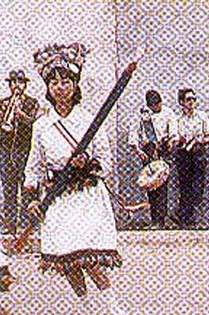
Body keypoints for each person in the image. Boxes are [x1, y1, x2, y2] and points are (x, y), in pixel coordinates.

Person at [24, 43, 123, 312]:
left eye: (65, 81)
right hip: (57, 198)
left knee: (88, 258)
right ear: (47, 88)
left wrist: (88, 163)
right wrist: (32, 198)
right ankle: (86, 309)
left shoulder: (89, 121)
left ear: (74, 85)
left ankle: (113, 309)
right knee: (67, 260)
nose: (60, 88)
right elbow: (33, 166)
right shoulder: (42, 126)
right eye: (53, 82)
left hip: (85, 196)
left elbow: (106, 164)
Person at [128, 90, 175, 230]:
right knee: (151, 186)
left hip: (163, 149)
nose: (157, 108)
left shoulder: (168, 113)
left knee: (162, 186)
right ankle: (154, 218)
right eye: (154, 106)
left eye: (158, 105)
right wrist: (138, 151)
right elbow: (133, 135)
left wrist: (170, 143)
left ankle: (162, 219)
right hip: (148, 151)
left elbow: (173, 133)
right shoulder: (142, 116)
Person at [0, 70, 39, 235]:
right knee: (8, 190)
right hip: (7, 153)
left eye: (21, 82)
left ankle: (26, 226)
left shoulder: (32, 103)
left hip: (25, 152)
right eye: (14, 82)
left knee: (26, 190)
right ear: (9, 85)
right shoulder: (2, 103)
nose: (17, 85)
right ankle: (8, 226)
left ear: (25, 85)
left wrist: (20, 115)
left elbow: (34, 124)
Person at [172, 88, 209, 229]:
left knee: (198, 188)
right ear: (182, 102)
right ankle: (186, 219)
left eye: (193, 99)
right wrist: (179, 140)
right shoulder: (177, 120)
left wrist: (201, 140)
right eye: (188, 99)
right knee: (185, 187)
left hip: (198, 154)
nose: (191, 102)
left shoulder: (202, 116)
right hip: (183, 155)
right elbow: (175, 138)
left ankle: (182, 213)